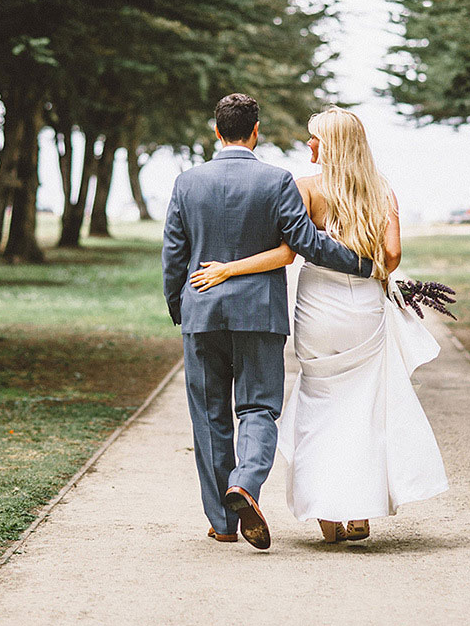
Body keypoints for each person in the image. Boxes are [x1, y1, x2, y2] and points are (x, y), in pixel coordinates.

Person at [191, 106, 448, 543]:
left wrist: (227, 269)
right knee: (364, 408)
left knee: (320, 403)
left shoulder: (305, 189)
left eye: (314, 138)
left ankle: (328, 517)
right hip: (363, 309)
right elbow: (390, 258)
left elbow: (289, 253)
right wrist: (366, 268)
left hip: (319, 308)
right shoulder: (382, 191)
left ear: (329, 145)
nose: (308, 144)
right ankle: (361, 511)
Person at [161, 94, 373, 550]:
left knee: (209, 416)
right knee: (258, 409)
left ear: (216, 132)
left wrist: (181, 310)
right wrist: (363, 264)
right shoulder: (276, 181)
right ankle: (246, 484)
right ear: (255, 131)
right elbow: (308, 243)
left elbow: (174, 256)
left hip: (201, 313)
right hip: (260, 314)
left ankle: (222, 523)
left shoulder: (187, 183)